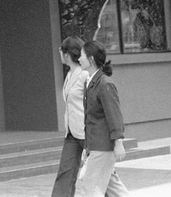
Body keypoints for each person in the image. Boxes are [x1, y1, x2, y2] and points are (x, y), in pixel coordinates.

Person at [74, 41, 129, 197]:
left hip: (103, 147)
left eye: (81, 55)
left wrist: (118, 142)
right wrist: (87, 148)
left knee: (90, 190)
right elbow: (92, 119)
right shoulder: (92, 82)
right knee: (114, 190)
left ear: (91, 59)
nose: (79, 59)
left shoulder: (104, 84)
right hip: (97, 145)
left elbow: (114, 115)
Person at [52, 36, 89, 197]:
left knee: (99, 174)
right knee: (65, 172)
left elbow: (94, 103)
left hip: (87, 131)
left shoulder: (84, 75)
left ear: (67, 55)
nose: (59, 53)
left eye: (61, 51)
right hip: (71, 132)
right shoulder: (69, 74)